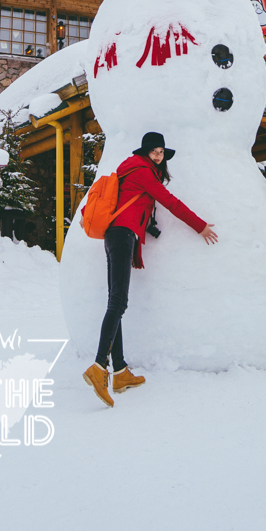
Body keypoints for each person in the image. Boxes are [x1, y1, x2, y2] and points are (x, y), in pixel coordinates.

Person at [83, 132, 218, 406]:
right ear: (144, 152)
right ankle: (99, 367)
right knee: (118, 302)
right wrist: (199, 225)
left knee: (115, 302)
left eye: (161, 152)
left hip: (116, 235)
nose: (158, 156)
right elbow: (171, 202)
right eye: (154, 151)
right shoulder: (142, 171)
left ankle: (119, 371)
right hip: (122, 236)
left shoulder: (133, 169)